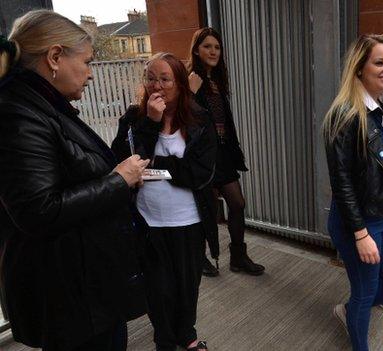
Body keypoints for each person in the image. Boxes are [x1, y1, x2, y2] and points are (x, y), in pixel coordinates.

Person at [0, 10, 147, 351]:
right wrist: (118, 181)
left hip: (82, 288)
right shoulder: (19, 114)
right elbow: (38, 210)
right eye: (88, 62)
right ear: (54, 57)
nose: (92, 74)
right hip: (70, 297)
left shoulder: (42, 106)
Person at [111, 52, 217, 351]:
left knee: (187, 286)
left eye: (165, 79)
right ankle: (165, 341)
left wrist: (157, 164)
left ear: (180, 84)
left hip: (188, 220)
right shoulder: (135, 117)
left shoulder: (198, 118)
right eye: (151, 78)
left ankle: (187, 334)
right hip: (148, 220)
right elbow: (125, 160)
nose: (156, 85)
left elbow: (199, 173)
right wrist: (151, 123)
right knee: (159, 288)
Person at [322, 34, 383, 351]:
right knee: (365, 290)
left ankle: (348, 310)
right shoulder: (345, 115)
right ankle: (356, 333)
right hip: (356, 221)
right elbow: (342, 180)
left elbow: (380, 158)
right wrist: (360, 234)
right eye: (379, 62)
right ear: (360, 68)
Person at [187, 27, 264, 277]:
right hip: (203, 156)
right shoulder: (191, 79)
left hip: (223, 153)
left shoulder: (217, 80)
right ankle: (199, 257)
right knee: (207, 208)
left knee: (237, 203)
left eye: (217, 47)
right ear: (196, 50)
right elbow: (182, 118)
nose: (213, 51)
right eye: (207, 46)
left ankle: (238, 257)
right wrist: (189, 92)